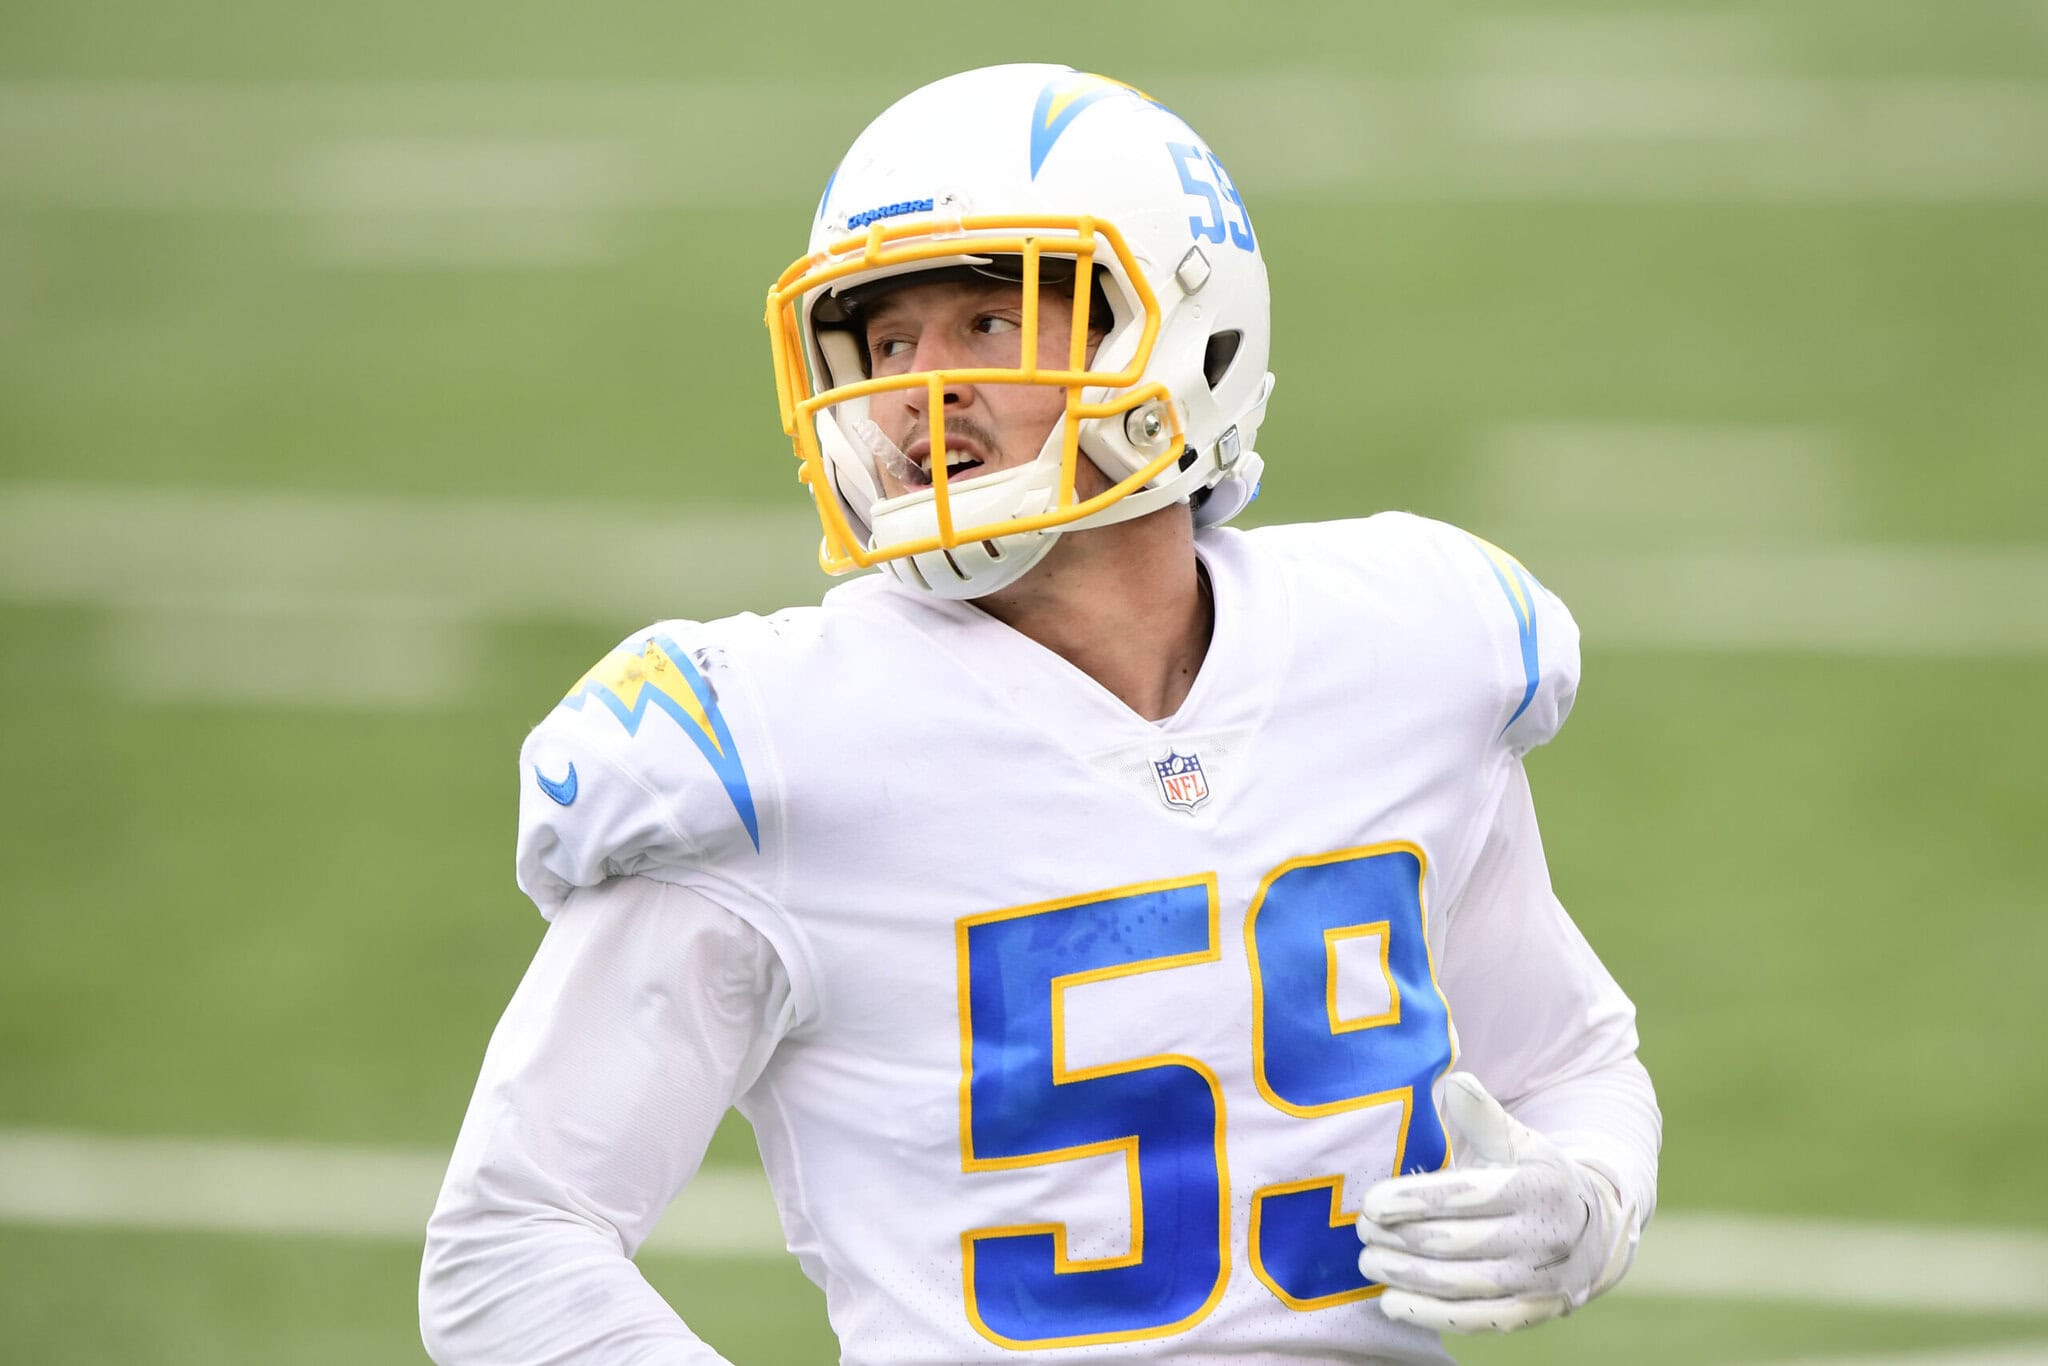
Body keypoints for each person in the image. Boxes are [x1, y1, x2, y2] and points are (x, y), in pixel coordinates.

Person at [420, 63, 1661, 1364]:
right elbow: (511, 1239)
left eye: (987, 322)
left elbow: (1568, 1062)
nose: (920, 389)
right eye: (888, 342)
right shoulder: (776, 743)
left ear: (1181, 332)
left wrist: (1585, 1199)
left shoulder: (1403, 647)